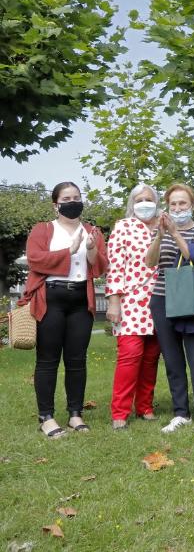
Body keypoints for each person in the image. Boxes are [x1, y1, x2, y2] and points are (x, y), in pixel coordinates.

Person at [21, 182, 108, 438]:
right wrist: (68, 251)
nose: (73, 201)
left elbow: (101, 266)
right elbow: (35, 259)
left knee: (77, 360)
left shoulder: (92, 230)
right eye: (67, 197)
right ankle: (46, 416)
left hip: (81, 298)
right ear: (55, 204)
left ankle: (75, 413)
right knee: (47, 359)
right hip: (51, 297)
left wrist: (91, 249)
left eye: (76, 197)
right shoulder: (43, 229)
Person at [144, 184, 194, 435]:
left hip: (192, 299)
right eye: (173, 204)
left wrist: (175, 234)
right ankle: (180, 412)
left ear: (193, 205)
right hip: (162, 298)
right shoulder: (159, 231)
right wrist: (161, 235)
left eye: (182, 204)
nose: (177, 209)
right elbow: (150, 263)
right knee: (172, 360)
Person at [105, 184, 164, 430]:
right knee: (130, 356)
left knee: (151, 358)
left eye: (149, 199)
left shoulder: (165, 224)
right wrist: (114, 301)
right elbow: (115, 266)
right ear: (132, 203)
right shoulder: (123, 227)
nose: (144, 203)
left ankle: (145, 407)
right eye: (139, 199)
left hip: (161, 300)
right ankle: (120, 412)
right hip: (131, 302)